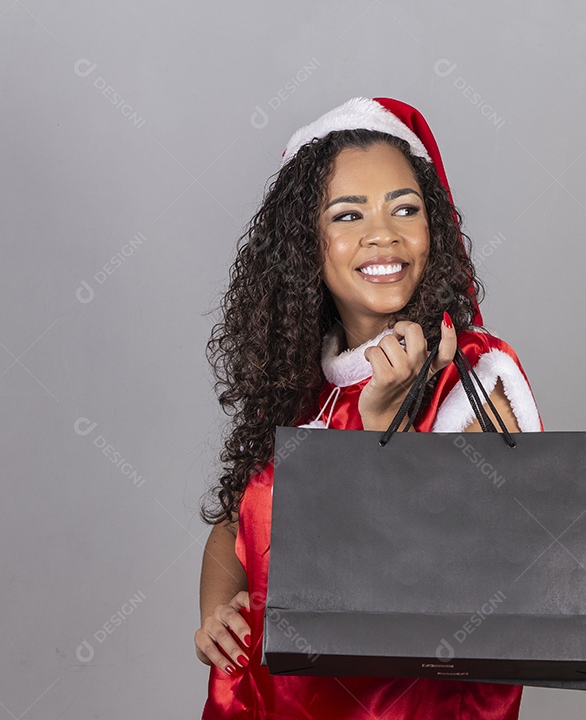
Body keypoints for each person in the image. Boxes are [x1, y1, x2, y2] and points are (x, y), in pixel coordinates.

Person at [196, 96, 545, 719]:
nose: (381, 233)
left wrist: (386, 429)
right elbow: (236, 529)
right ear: (308, 244)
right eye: (348, 214)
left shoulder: (475, 377)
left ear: (432, 228)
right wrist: (218, 613)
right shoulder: (305, 383)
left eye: (404, 208)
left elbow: (490, 594)